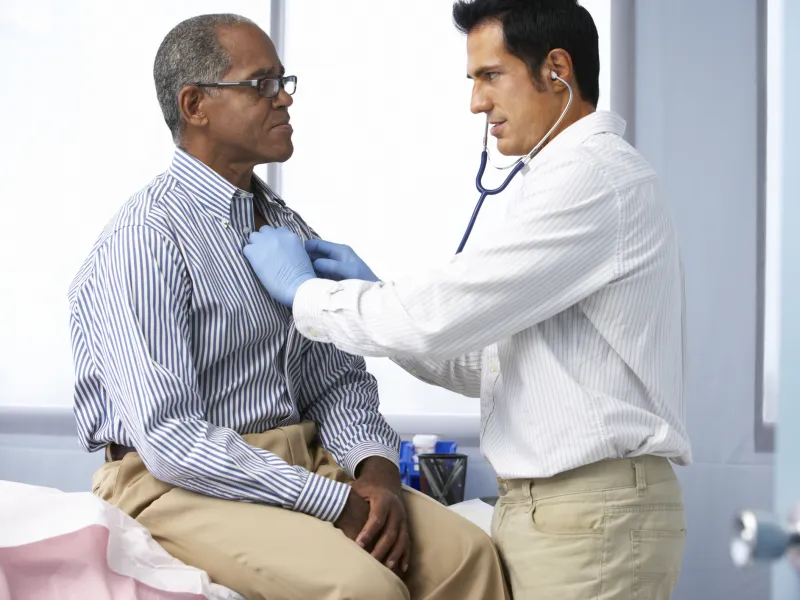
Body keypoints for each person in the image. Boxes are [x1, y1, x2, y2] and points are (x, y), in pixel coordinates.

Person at [242, 0, 692, 598]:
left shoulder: (593, 179)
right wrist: (370, 294)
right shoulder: (561, 178)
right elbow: (491, 365)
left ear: (557, 69)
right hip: (560, 512)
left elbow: (436, 319)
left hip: (590, 513)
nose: (477, 104)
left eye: (490, 76)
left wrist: (309, 296)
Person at [67, 13, 509, 600]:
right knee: (364, 588)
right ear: (195, 104)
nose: (284, 100)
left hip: (303, 463)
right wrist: (335, 502)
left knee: (471, 556)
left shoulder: (286, 227)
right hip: (176, 483)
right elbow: (170, 438)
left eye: (283, 82)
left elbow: (335, 380)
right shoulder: (146, 238)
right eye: (261, 85)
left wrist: (376, 471)